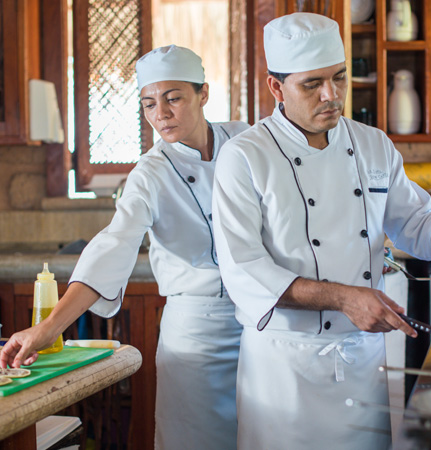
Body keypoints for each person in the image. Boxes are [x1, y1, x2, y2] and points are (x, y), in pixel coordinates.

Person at [211, 13, 431, 450]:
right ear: (276, 88)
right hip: (283, 369)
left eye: (339, 78)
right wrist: (344, 297)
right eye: (311, 84)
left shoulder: (372, 143)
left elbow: (415, 224)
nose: (331, 95)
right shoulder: (244, 157)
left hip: (361, 361)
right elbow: (244, 270)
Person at [0, 45, 249, 450]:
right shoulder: (150, 173)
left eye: (173, 98)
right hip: (196, 335)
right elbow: (113, 247)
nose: (161, 115)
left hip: (257, 324)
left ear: (203, 94)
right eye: (149, 104)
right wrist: (48, 328)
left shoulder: (242, 139)